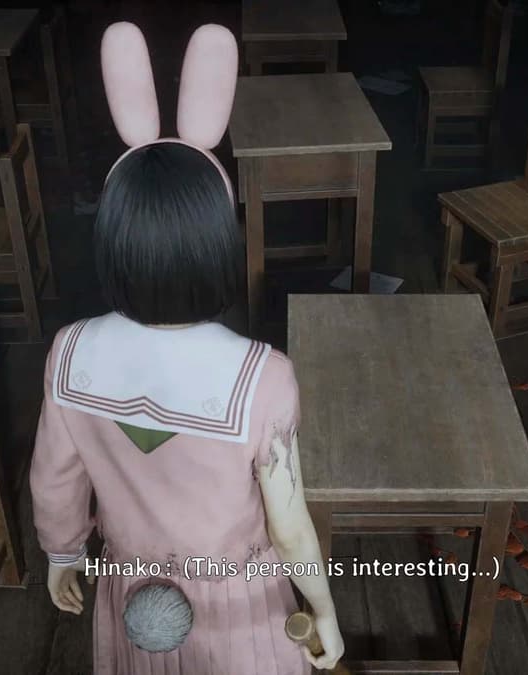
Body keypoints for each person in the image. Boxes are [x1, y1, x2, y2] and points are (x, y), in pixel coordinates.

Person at [28, 22, 344, 674]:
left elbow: (55, 476)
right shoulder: (263, 377)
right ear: (219, 243)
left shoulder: (70, 353)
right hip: (241, 602)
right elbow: (289, 528)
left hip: (131, 590)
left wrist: (63, 553)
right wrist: (324, 609)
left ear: (112, 239)